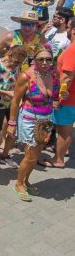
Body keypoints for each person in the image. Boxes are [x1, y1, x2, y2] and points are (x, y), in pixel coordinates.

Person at [7, 46, 59, 201]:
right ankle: (18, 183)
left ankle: (26, 181)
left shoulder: (53, 74)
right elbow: (15, 101)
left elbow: (54, 96)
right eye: (41, 59)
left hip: (46, 120)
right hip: (30, 119)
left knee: (35, 155)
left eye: (48, 59)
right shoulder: (26, 76)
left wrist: (57, 99)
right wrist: (11, 123)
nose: (45, 62)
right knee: (30, 156)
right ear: (34, 59)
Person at [40, 17, 75, 168]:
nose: (66, 29)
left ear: (74, 30)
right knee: (65, 128)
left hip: (68, 98)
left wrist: (58, 97)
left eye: (68, 27)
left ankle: (58, 159)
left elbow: (67, 77)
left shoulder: (72, 50)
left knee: (64, 129)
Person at [0, 46, 27, 169]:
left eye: (20, 62)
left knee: (12, 131)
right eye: (16, 62)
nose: (17, 65)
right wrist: (6, 93)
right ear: (9, 56)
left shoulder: (17, 66)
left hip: (12, 105)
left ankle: (4, 155)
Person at [0, 10, 45, 74]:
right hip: (11, 73)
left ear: (36, 25)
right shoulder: (11, 36)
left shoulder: (40, 39)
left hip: (32, 74)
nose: (27, 28)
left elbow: (46, 57)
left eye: (31, 24)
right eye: (24, 24)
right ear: (20, 23)